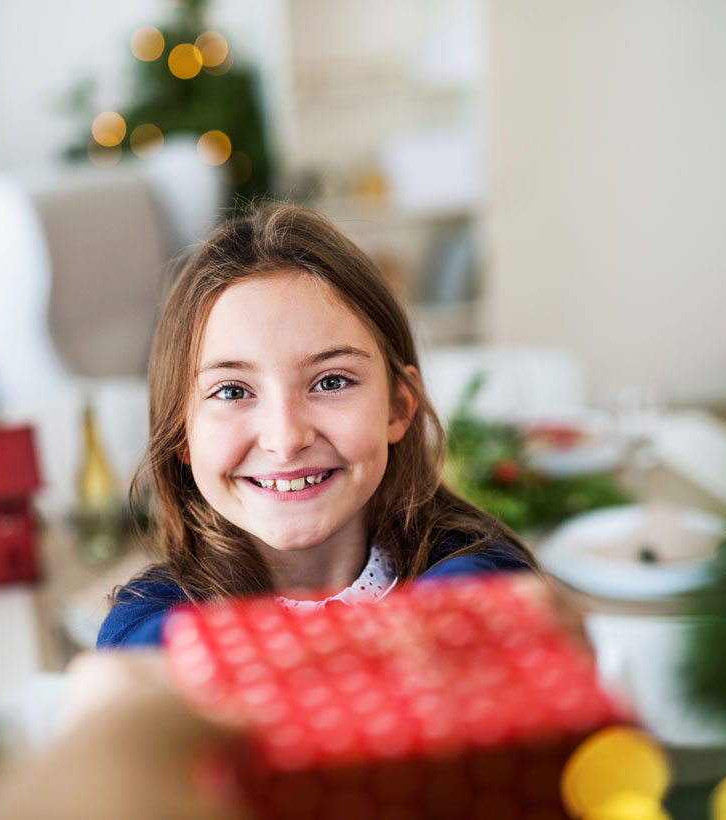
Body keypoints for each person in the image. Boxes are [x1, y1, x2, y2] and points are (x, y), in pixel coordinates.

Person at [98, 203, 533, 649]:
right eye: (231, 391)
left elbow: (479, 603)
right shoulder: (147, 621)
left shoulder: (480, 572)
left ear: (398, 408)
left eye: (330, 381)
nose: (285, 439)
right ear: (179, 433)